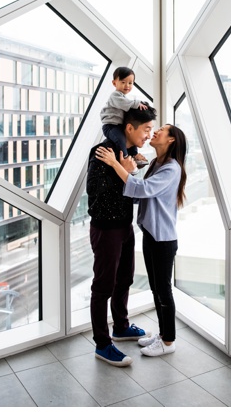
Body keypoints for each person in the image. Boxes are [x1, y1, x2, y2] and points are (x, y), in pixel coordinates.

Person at [95, 124, 187, 357]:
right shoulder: (158, 163)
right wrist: (133, 166)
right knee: (156, 289)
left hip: (163, 239)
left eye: (162, 130)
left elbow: (144, 190)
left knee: (163, 291)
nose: (154, 132)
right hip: (151, 234)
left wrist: (116, 164)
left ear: (172, 140)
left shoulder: (171, 168)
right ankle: (163, 334)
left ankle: (168, 342)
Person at [86, 104, 156, 367]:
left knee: (124, 278)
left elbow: (136, 194)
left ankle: (121, 326)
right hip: (106, 228)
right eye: (146, 129)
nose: (148, 135)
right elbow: (94, 192)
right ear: (130, 127)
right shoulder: (103, 151)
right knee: (102, 287)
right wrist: (121, 172)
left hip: (125, 226)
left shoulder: (130, 155)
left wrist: (129, 171)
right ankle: (103, 345)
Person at [101, 67, 151, 169]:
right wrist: (137, 104)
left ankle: (134, 155)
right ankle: (125, 158)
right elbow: (124, 104)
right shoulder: (115, 96)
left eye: (130, 83)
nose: (127, 85)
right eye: (123, 82)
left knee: (131, 140)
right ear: (114, 83)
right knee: (120, 139)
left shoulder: (124, 97)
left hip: (118, 125)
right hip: (110, 126)